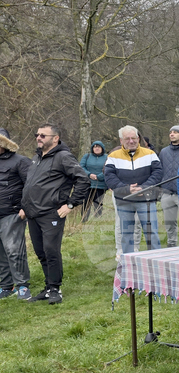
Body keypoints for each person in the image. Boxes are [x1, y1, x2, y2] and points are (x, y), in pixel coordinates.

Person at [19, 123, 89, 303]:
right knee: (41, 251)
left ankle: (56, 289)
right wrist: (25, 207)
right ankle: (48, 287)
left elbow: (83, 179)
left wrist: (71, 204)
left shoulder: (63, 157)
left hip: (52, 213)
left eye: (43, 135)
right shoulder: (37, 158)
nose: (38, 138)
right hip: (33, 213)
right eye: (37, 134)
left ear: (55, 138)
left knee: (51, 250)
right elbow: (31, 186)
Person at [104, 125, 163, 255]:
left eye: (134, 138)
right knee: (126, 234)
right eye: (127, 139)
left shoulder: (150, 154)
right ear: (121, 141)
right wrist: (126, 189)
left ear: (138, 138)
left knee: (151, 232)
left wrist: (144, 187)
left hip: (146, 199)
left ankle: (156, 261)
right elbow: (109, 176)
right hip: (124, 200)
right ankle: (128, 263)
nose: (131, 141)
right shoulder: (113, 156)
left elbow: (158, 173)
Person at [0, 128, 32, 300]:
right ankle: (6, 286)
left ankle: (23, 286)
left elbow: (32, 185)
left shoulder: (20, 161)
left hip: (12, 213)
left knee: (14, 250)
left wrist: (25, 207)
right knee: (1, 253)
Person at [78, 140, 108, 221]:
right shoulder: (87, 156)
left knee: (98, 205)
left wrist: (99, 177)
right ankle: (84, 221)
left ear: (102, 148)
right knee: (86, 204)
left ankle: (97, 222)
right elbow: (81, 167)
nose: (96, 148)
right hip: (88, 184)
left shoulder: (107, 157)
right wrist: (89, 174)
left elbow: (108, 168)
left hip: (101, 185)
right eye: (95, 147)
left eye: (98, 147)